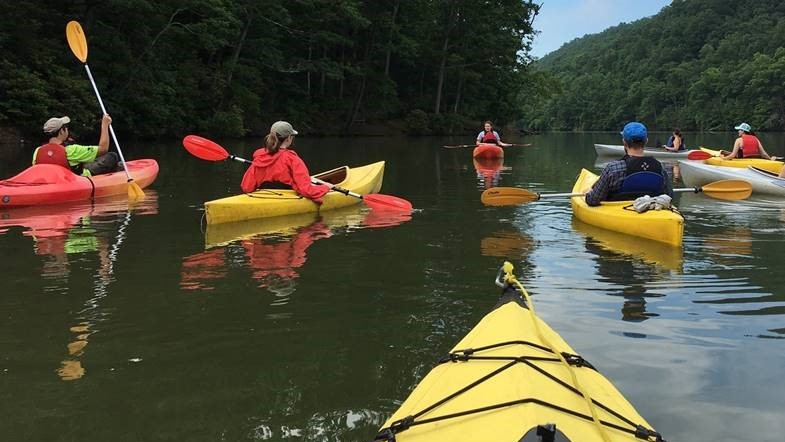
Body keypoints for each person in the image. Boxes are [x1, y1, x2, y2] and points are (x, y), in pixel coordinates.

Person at [240, 121, 331, 203]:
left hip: (262, 196)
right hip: (287, 198)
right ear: (289, 138)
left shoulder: (259, 158)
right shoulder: (292, 159)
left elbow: (246, 187)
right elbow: (306, 190)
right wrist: (326, 187)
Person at [585, 122, 673, 206]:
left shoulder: (613, 168)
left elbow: (593, 200)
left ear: (624, 142)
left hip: (619, 215)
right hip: (652, 214)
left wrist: (588, 193)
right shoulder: (659, 167)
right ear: (646, 141)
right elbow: (669, 196)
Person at [33, 114, 119, 176]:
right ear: (62, 131)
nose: (67, 129)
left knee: (84, 161)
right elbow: (103, 148)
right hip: (77, 180)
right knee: (112, 156)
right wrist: (104, 125)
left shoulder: (38, 151)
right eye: (66, 127)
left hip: (50, 180)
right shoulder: (71, 150)